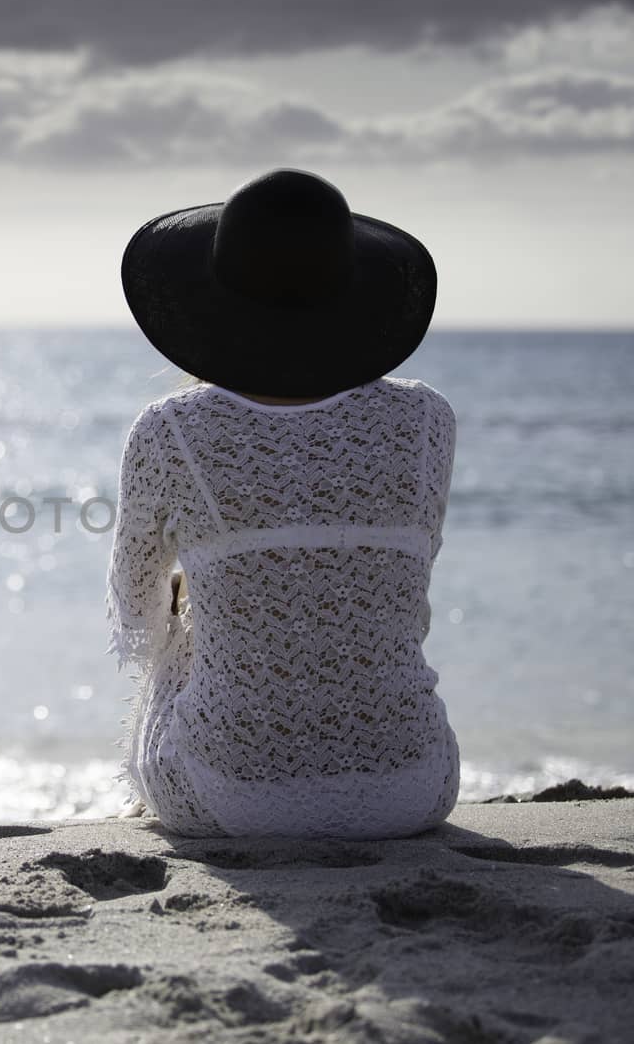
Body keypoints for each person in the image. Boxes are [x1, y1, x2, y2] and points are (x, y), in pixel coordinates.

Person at [105, 167, 459, 839]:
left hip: (228, 794)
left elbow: (135, 606)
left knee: (180, 619)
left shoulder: (169, 430)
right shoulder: (427, 421)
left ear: (211, 302)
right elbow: (403, 583)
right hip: (412, 786)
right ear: (354, 297)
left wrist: (189, 624)